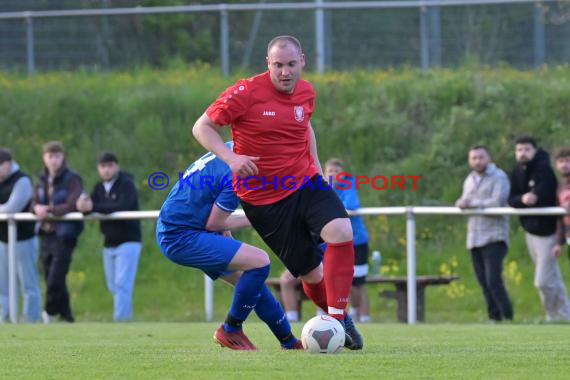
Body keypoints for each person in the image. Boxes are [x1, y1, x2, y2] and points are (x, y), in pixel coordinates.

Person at [192, 35, 363, 349]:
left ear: (302, 62)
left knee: (341, 230)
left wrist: (317, 167)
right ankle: (338, 319)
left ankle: (338, 318)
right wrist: (231, 158)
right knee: (311, 274)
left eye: (291, 64)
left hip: (306, 182)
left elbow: (305, 127)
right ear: (267, 65)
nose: (285, 72)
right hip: (264, 201)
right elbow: (202, 126)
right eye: (278, 65)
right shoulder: (245, 92)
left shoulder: (307, 92)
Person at [156, 141, 303, 350]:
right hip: (181, 235)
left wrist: (225, 232)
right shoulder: (241, 172)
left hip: (185, 228)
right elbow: (215, 222)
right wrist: (260, 218)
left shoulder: (230, 147)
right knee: (260, 262)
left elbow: (210, 202)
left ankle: (288, 341)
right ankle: (231, 329)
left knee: (252, 282)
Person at [279, 158, 372, 323]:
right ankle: (303, 317)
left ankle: (360, 316)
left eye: (336, 172)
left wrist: (326, 209)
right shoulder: (318, 185)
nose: (333, 175)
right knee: (297, 278)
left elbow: (351, 204)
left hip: (356, 243)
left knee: (356, 284)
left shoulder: (348, 184)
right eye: (330, 171)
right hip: (327, 242)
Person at [508, 136, 570, 322]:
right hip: (532, 230)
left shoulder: (544, 171)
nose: (522, 153)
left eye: (527, 149)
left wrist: (533, 200)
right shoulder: (517, 172)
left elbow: (547, 200)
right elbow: (511, 199)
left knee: (542, 281)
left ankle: (553, 315)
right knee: (552, 278)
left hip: (547, 231)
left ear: (535, 150)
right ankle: (563, 314)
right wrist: (522, 200)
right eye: (519, 150)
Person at [76, 152, 142, 322]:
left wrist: (93, 206)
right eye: (103, 166)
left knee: (122, 284)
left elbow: (122, 205)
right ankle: (125, 319)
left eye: (110, 165)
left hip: (129, 241)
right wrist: (82, 206)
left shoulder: (126, 184)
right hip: (109, 243)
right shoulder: (99, 188)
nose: (106, 170)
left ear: (117, 166)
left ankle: (120, 321)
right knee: (113, 285)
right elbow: (90, 206)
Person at [455, 145, 513, 322]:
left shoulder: (499, 177)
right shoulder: (470, 179)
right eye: (474, 157)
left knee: (493, 280)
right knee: (483, 281)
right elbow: (466, 201)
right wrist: (461, 203)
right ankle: (494, 317)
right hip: (474, 237)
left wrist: (471, 203)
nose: (477, 161)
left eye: (481, 157)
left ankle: (508, 316)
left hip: (494, 236)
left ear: (489, 158)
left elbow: (498, 202)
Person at [32, 141, 84, 323]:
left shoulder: (72, 179)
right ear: (44, 158)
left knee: (56, 276)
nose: (54, 160)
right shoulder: (41, 179)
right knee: (50, 276)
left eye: (57, 156)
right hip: (46, 234)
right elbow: (34, 202)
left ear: (63, 157)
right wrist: (36, 208)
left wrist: (50, 210)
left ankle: (49, 313)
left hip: (65, 233)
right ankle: (66, 316)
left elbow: (73, 203)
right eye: (50, 156)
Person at [0, 148, 42, 322]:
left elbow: (12, 208)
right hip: (2, 240)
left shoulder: (22, 180)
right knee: (2, 284)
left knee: (28, 283)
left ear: (9, 163)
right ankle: (4, 317)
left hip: (23, 239)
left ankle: (30, 319)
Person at [553, 147, 570, 263]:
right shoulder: (559, 187)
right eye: (561, 162)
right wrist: (559, 243)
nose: (564, 165)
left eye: (568, 161)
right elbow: (560, 216)